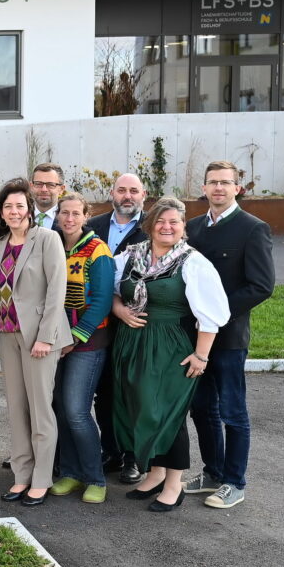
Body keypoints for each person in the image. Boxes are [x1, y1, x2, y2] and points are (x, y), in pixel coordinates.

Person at [111, 197, 229, 513]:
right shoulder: (130, 257)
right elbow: (110, 291)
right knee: (142, 410)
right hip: (132, 342)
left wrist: (201, 357)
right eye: (161, 221)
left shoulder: (192, 262)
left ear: (183, 228)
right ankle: (155, 473)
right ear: (149, 226)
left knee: (168, 414)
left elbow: (211, 315)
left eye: (174, 222)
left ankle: (174, 484)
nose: (167, 227)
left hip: (170, 346)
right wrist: (120, 310)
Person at [184, 161, 275, 510]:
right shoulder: (192, 228)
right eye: (212, 183)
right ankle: (213, 472)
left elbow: (261, 286)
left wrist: (215, 314)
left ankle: (235, 482)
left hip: (229, 338)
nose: (219, 188)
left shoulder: (253, 229)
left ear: (238, 188)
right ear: (204, 188)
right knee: (202, 408)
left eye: (226, 182)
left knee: (233, 412)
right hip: (193, 336)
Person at [0, 178, 71, 507]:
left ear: (30, 209)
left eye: (19, 205)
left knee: (40, 411)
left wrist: (46, 337)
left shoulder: (47, 239)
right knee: (16, 410)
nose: (14, 211)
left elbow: (56, 291)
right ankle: (21, 476)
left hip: (39, 339)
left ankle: (41, 478)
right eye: (8, 206)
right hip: (7, 335)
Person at [48, 192, 114, 504]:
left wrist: (75, 336)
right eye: (65, 213)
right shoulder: (53, 245)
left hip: (87, 342)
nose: (69, 219)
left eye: (76, 213)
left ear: (85, 216)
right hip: (55, 339)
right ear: (58, 215)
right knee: (60, 407)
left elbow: (101, 301)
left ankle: (95, 477)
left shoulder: (97, 250)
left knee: (76, 410)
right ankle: (71, 473)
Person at [87, 173, 149, 484]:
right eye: (122, 190)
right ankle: (110, 450)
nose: (127, 196)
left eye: (133, 191)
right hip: (98, 324)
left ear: (144, 194)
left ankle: (132, 457)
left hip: (135, 325)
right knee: (104, 393)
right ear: (112, 193)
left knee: (130, 392)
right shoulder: (94, 225)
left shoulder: (153, 227)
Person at [29, 163, 64, 230]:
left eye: (51, 185)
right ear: (31, 186)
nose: (44, 189)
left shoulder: (68, 220)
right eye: (38, 184)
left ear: (61, 189)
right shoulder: (21, 216)